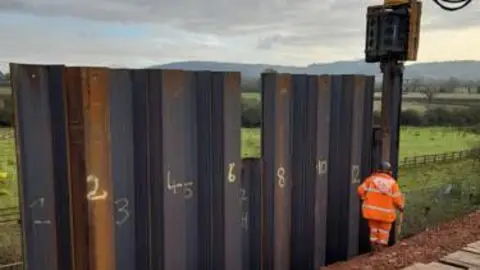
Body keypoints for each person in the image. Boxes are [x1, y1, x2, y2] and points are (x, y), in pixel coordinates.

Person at [357, 161, 405, 252]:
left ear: (378, 170)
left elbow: (360, 191)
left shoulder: (371, 180)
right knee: (384, 232)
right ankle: (380, 251)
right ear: (389, 172)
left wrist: (364, 198)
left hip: (372, 213)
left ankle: (373, 250)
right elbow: (397, 199)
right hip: (386, 215)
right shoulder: (392, 184)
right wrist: (401, 207)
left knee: (373, 230)